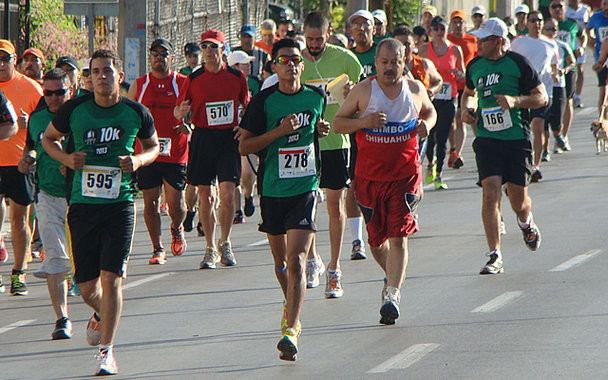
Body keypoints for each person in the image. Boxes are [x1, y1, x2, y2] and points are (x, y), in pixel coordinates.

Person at [42, 49, 159, 376]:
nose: (101, 76)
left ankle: (107, 352)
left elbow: (154, 147)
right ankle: (103, 312)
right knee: (88, 288)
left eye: (108, 71)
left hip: (120, 205)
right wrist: (66, 160)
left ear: (119, 76)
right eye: (95, 72)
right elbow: (48, 139)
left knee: (112, 280)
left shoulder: (136, 112)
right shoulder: (74, 110)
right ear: (88, 78)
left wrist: (137, 161)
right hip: (82, 206)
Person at [334, 38, 436, 325]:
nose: (390, 67)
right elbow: (339, 123)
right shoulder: (364, 90)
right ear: (376, 63)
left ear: (404, 61)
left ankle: (392, 293)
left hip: (405, 176)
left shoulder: (414, 89)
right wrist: (363, 123)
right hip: (368, 178)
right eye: (385, 62)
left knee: (399, 236)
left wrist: (426, 124)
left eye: (396, 62)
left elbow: (430, 110)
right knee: (376, 241)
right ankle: (392, 276)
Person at [239, 37, 329, 361]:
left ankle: (291, 330)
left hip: (304, 188)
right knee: (280, 264)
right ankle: (290, 304)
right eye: (284, 60)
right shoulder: (263, 102)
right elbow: (244, 147)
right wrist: (277, 133)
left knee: (297, 262)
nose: (290, 65)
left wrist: (320, 129)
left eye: (295, 59)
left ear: (302, 65)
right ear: (274, 66)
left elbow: (316, 131)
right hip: (272, 189)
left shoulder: (316, 96)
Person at [462, 18, 545, 275]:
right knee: (490, 191)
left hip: (516, 140)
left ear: (497, 42)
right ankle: (494, 254)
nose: (478, 44)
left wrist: (515, 100)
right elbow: (468, 93)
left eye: (482, 40)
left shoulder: (518, 63)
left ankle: (525, 221)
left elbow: (542, 97)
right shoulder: (474, 65)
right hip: (487, 139)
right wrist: (468, 108)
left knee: (519, 201)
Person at [174, 30, 250, 269]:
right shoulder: (194, 78)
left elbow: (246, 106)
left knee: (227, 194)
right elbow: (179, 111)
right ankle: (209, 248)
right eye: (205, 46)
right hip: (203, 137)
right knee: (205, 195)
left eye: (213, 47)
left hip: (228, 138)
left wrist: (244, 128)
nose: (208, 51)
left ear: (223, 50)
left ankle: (225, 242)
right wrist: (180, 115)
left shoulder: (237, 77)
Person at [300, 11, 363, 295]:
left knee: (334, 205)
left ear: (329, 34)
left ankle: (335, 269)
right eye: (309, 39)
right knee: (307, 205)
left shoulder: (346, 59)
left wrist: (352, 93)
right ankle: (313, 260)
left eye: (318, 39)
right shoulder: (296, 61)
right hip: (305, 144)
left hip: (337, 143)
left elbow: (365, 96)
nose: (313, 44)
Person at [18, 68, 74, 339]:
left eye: (59, 92)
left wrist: (73, 164)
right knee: (54, 256)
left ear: (70, 91)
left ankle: (98, 306)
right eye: (48, 92)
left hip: (81, 197)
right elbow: (32, 146)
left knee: (86, 261)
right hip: (48, 196)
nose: (53, 98)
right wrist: (28, 158)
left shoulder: (81, 114)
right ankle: (61, 318)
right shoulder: (38, 118)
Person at [127, 38, 189, 264]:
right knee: (150, 201)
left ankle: (177, 226)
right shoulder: (140, 84)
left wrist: (188, 124)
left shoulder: (182, 82)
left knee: (176, 204)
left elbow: (193, 110)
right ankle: (157, 247)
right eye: (155, 54)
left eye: (164, 54)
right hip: (147, 151)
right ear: (150, 58)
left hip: (175, 151)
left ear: (172, 59)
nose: (159, 58)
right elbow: (128, 114)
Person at [0, 39, 43, 296]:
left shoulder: (30, 88)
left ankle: (18, 272)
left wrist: (28, 129)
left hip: (19, 162)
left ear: (15, 61)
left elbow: (44, 125)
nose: (1, 64)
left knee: (18, 220)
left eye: (5, 59)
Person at [511, 11, 559, 182]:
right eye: (533, 20)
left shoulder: (551, 44)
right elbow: (510, 62)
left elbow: (554, 66)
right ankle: (526, 161)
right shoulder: (519, 43)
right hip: (523, 93)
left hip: (543, 93)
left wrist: (556, 74)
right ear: (527, 23)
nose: (536, 23)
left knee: (537, 127)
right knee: (524, 129)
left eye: (539, 20)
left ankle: (536, 166)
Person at [419, 16, 465, 190]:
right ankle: (431, 163)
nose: (439, 32)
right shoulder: (424, 49)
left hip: (448, 97)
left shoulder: (455, 49)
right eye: (436, 29)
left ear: (447, 30)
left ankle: (439, 174)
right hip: (430, 97)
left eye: (442, 29)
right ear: (430, 31)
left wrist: (459, 74)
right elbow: (416, 69)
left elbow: (463, 73)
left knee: (443, 135)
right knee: (429, 135)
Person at [552, 0, 586, 152]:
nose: (558, 9)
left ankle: (563, 137)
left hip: (569, 67)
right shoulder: (547, 24)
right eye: (554, 6)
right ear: (550, 9)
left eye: (560, 6)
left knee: (569, 101)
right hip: (552, 69)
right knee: (553, 104)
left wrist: (581, 47)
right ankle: (555, 135)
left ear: (565, 8)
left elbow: (583, 35)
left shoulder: (572, 24)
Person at [542, 17, 576, 162]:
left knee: (556, 118)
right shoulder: (541, 44)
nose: (551, 32)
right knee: (542, 120)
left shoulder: (562, 45)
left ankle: (558, 134)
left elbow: (572, 61)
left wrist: (564, 70)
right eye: (548, 29)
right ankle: (545, 150)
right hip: (543, 86)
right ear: (543, 30)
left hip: (558, 86)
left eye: (554, 29)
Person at [447, 10, 478, 169]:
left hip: (470, 85)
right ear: (451, 24)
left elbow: (478, 60)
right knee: (458, 119)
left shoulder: (472, 40)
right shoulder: (447, 40)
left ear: (466, 24)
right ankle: (456, 154)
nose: (458, 25)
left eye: (461, 22)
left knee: (471, 118)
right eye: (455, 22)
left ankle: (482, 146)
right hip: (454, 86)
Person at [394, 25, 443, 96]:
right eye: (400, 44)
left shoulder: (424, 64)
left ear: (414, 44)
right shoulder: (390, 67)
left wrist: (431, 91)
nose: (404, 48)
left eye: (407, 44)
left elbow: (439, 81)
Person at [566, 0, 591, 107]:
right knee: (569, 70)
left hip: (580, 44)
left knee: (580, 70)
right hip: (569, 44)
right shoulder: (565, 9)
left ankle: (577, 96)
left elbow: (587, 28)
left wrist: (585, 45)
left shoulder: (585, 9)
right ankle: (568, 95)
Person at [587, 0, 608, 121]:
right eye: (605, 4)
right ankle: (602, 120)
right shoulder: (596, 17)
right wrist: (591, 41)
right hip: (601, 56)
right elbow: (588, 29)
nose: (607, 7)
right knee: (603, 91)